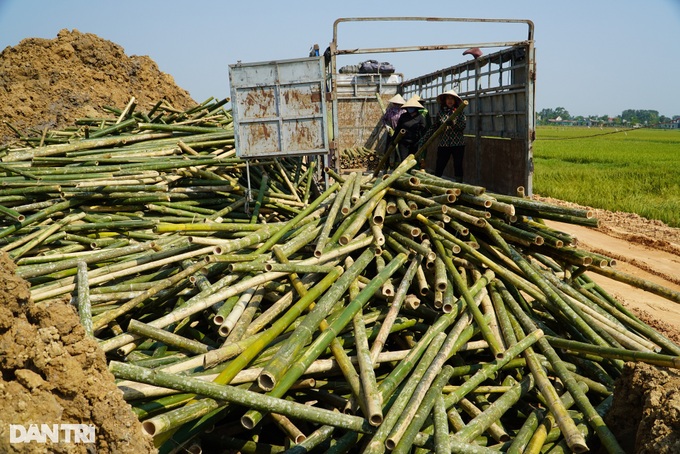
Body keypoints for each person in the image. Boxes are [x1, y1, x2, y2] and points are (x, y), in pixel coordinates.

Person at [422, 89, 467, 180]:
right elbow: (434, 127)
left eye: (452, 99)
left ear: (455, 101)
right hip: (444, 144)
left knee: (458, 165)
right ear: (445, 101)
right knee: (440, 165)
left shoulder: (459, 112)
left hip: (458, 144)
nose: (450, 101)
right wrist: (424, 139)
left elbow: (462, 126)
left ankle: (459, 185)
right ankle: (435, 183)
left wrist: (454, 123)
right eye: (448, 99)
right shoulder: (441, 113)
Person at [392, 97, 427, 162]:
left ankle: (409, 172)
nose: (410, 109)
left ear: (416, 108)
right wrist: (394, 140)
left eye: (412, 107)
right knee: (403, 160)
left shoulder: (420, 117)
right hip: (403, 142)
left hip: (414, 142)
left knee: (411, 160)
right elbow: (398, 128)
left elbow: (423, 129)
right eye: (409, 107)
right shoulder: (403, 116)